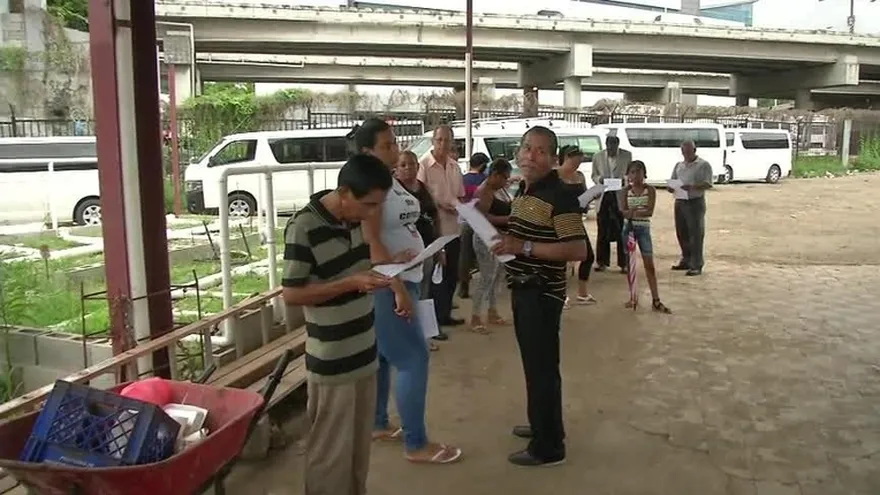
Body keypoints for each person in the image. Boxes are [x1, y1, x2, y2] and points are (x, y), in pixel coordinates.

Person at [281, 154, 395, 495]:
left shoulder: (354, 219)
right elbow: (292, 294)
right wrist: (352, 284)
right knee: (330, 455)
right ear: (344, 192)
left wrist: (388, 270)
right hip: (332, 361)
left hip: (364, 352)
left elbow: (354, 270)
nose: (372, 213)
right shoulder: (304, 227)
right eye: (368, 204)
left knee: (358, 452)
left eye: (378, 205)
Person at [355, 119, 462, 465]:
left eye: (395, 142)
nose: (396, 149)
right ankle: (416, 444)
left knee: (386, 357)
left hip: (404, 274)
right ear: (367, 150)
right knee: (414, 358)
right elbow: (371, 240)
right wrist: (397, 284)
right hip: (389, 284)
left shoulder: (389, 181)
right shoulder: (369, 185)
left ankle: (378, 423)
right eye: (387, 145)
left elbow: (393, 231)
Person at [492, 126, 587, 467]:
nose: (532, 156)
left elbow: (578, 249)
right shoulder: (524, 190)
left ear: (553, 158)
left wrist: (525, 247)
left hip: (542, 293)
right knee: (534, 366)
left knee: (543, 368)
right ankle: (540, 424)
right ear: (518, 153)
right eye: (527, 148)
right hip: (522, 287)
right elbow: (521, 232)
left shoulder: (560, 196)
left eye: (541, 151)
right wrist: (504, 240)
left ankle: (549, 446)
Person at [418, 125, 465, 330]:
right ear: (433, 141)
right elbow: (418, 197)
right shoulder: (423, 165)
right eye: (439, 140)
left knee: (451, 274)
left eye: (447, 140)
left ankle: (445, 314)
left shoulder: (455, 166)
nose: (443, 144)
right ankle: (432, 322)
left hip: (454, 229)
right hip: (434, 232)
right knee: (433, 278)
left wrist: (460, 207)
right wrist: (439, 205)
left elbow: (460, 195)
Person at [395, 150, 441, 352]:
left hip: (427, 249)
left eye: (412, 164)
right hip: (405, 254)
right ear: (396, 169)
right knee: (407, 294)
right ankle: (406, 337)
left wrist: (440, 247)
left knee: (424, 293)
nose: (408, 168)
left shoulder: (423, 188)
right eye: (403, 165)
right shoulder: (393, 192)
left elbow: (435, 215)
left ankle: (424, 335)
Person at [618, 160, 672, 313]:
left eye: (639, 171)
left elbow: (649, 211)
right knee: (631, 265)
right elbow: (623, 211)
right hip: (628, 229)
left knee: (649, 264)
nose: (636, 175)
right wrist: (634, 211)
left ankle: (656, 299)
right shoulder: (624, 191)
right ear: (628, 174)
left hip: (642, 228)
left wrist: (632, 211)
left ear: (644, 173)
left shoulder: (651, 190)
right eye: (633, 172)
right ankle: (633, 296)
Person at [470, 157, 512, 333]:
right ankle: (475, 316)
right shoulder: (484, 191)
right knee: (486, 277)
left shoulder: (499, 189)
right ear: (495, 175)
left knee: (497, 276)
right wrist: (508, 219)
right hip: (485, 238)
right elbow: (482, 218)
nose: (506, 181)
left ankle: (492, 310)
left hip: (499, 237)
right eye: (504, 178)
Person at [556, 145, 597, 307]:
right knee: (563, 260)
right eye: (575, 162)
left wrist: (592, 196)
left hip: (577, 219)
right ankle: (561, 294)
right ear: (566, 158)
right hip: (562, 221)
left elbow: (584, 195)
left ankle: (582, 292)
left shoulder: (579, 176)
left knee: (588, 256)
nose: (577, 165)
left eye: (580, 162)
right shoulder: (556, 176)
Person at [668, 140, 713, 276]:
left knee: (695, 234)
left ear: (694, 150)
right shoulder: (679, 165)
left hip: (695, 201)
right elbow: (673, 180)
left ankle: (696, 264)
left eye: (688, 151)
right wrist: (671, 187)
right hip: (680, 200)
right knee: (682, 233)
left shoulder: (703, 165)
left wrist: (692, 187)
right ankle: (686, 259)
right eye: (683, 151)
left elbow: (708, 184)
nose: (685, 154)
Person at [591, 135, 632, 273]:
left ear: (617, 145)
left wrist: (624, 181)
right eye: (609, 146)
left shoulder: (627, 155)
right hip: (604, 195)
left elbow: (629, 174)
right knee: (602, 229)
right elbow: (594, 175)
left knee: (622, 230)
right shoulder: (598, 156)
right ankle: (601, 262)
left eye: (613, 147)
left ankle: (624, 263)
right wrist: (599, 179)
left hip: (619, 194)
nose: (611, 149)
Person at [458, 152, 490, 299]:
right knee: (484, 256)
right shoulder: (485, 180)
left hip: (464, 220)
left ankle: (463, 285)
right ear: (483, 165)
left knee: (464, 255)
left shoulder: (462, 179)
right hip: (481, 222)